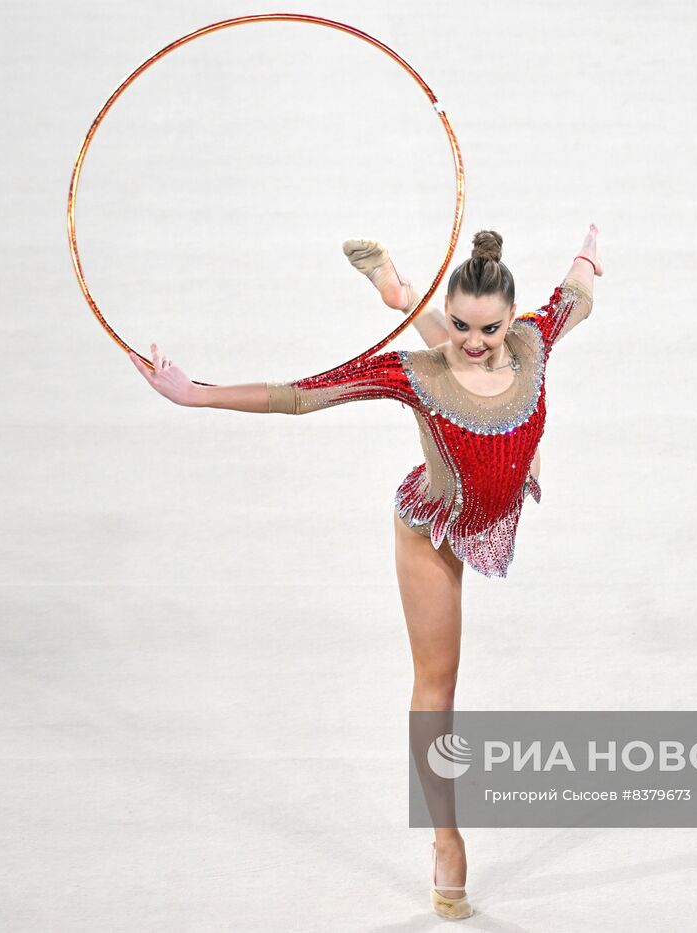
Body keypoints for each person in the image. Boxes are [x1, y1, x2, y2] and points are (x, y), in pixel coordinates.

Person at [129, 225, 602, 920]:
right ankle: (445, 838)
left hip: (488, 490)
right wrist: (196, 393)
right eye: (462, 326)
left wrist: (591, 246)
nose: (473, 340)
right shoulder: (418, 373)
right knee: (437, 688)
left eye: (489, 329)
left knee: (486, 368)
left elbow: (578, 292)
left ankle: (399, 291)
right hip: (432, 530)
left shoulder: (533, 341)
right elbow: (304, 393)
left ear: (512, 317)